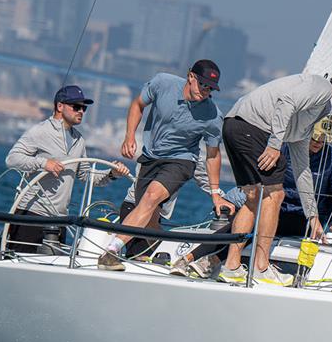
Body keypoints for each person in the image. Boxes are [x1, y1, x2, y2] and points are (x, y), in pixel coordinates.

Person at [219, 74, 332, 286]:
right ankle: (261, 268)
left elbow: (303, 170)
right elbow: (287, 101)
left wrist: (313, 217)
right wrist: (275, 145)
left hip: (233, 125)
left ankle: (231, 267)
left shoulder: (307, 120)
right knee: (275, 194)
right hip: (253, 126)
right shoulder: (323, 88)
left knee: (253, 197)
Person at [98, 60, 232, 269]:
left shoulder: (213, 116)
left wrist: (215, 193)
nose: (205, 91)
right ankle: (159, 250)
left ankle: (111, 251)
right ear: (191, 76)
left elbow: (213, 155)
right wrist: (129, 136)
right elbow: (137, 105)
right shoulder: (163, 83)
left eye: (210, 88)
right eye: (203, 85)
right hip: (150, 157)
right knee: (146, 210)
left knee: (151, 197)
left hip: (181, 161)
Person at [5, 85, 129, 258]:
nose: (81, 112)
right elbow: (12, 159)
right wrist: (43, 163)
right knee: (17, 263)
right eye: (76, 107)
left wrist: (112, 174)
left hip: (59, 219)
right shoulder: (40, 131)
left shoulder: (79, 140)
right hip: (31, 214)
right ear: (60, 106)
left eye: (84, 108)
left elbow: (86, 176)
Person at [277, 117, 332, 237]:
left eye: (324, 140)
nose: (318, 143)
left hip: (310, 221)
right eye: (314, 138)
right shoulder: (286, 148)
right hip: (278, 212)